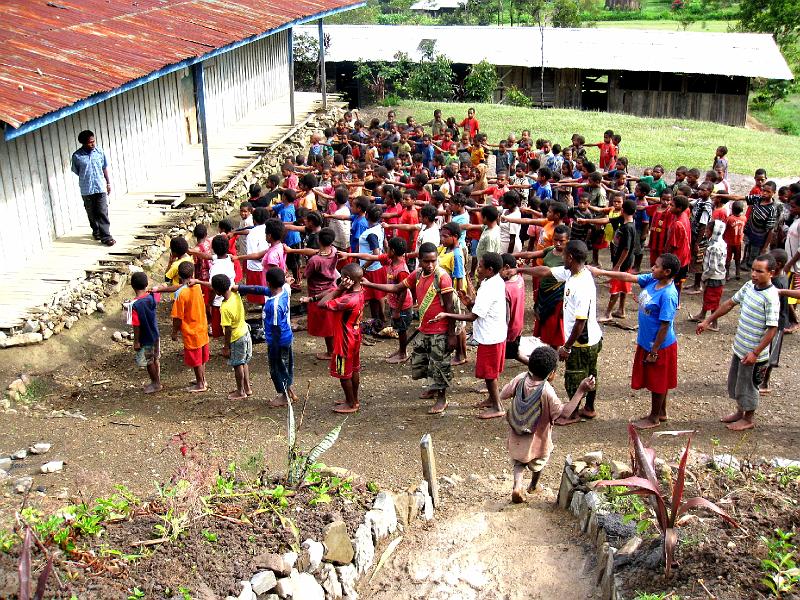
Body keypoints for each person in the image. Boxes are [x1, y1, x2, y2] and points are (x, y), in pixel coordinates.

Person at [363, 242, 457, 414]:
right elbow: (397, 288)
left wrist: (451, 334)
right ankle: (433, 388)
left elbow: (449, 308)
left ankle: (442, 398)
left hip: (440, 329)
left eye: (433, 261)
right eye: (426, 261)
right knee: (425, 360)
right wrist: (370, 284)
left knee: (440, 364)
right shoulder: (418, 274)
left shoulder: (442, 277)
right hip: (425, 327)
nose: (430, 265)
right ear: (419, 260)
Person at [590, 254, 681, 429]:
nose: (653, 268)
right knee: (659, 379)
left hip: (659, 345)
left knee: (658, 380)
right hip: (648, 341)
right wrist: (600, 272)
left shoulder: (668, 294)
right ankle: (661, 411)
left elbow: (664, 325)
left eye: (656, 266)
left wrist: (654, 350)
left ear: (667, 272)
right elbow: (628, 277)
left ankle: (654, 417)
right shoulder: (653, 281)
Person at [517, 240, 603, 425]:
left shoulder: (581, 285)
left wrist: (567, 347)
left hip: (581, 342)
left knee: (574, 376)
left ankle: (572, 414)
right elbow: (546, 271)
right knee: (590, 373)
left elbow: (580, 322)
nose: (561, 257)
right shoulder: (575, 273)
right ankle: (589, 408)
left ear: (570, 257)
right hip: (592, 338)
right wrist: (520, 271)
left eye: (564, 255)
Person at [696, 254, 780, 431]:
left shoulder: (771, 297)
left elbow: (772, 329)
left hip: (753, 354)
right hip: (740, 347)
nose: (754, 274)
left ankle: (748, 418)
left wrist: (755, 353)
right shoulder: (749, 286)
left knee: (749, 385)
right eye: (753, 269)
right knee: (737, 382)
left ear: (771, 273)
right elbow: (729, 303)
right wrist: (708, 320)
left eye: (759, 271)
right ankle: (740, 412)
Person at [502, 346, 596, 503]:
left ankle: (517, 486)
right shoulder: (546, 390)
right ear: (552, 373)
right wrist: (580, 390)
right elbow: (565, 413)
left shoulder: (520, 378)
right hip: (539, 438)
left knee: (519, 462)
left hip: (518, 433)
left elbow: (503, 394)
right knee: (539, 461)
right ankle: (533, 485)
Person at [432, 252, 508, 420]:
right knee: (492, 372)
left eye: (480, 266)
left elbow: (474, 316)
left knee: (489, 375)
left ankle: (497, 406)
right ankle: (491, 399)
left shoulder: (489, 287)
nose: (477, 269)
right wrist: (470, 303)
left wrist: (448, 315)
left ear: (490, 269)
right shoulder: (494, 281)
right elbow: (482, 308)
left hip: (491, 337)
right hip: (496, 333)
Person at [238, 268, 297, 407]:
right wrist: (241, 288)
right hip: (286, 338)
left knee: (277, 368)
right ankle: (289, 391)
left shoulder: (274, 305)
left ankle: (283, 396)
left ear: (269, 282)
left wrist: (273, 349)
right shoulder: (285, 290)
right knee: (285, 365)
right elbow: (262, 290)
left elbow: (276, 329)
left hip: (278, 342)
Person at [318, 263, 366, 414]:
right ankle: (353, 399)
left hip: (343, 342)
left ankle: (351, 404)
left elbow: (322, 303)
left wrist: (339, 289)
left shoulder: (347, 299)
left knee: (343, 373)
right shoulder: (360, 292)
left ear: (347, 279)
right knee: (354, 369)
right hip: (355, 336)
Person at [155, 261, 210, 393]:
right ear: (193, 274)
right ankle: (202, 379)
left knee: (196, 360)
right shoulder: (197, 286)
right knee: (201, 357)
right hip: (202, 327)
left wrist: (174, 332)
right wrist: (161, 289)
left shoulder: (181, 295)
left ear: (179, 275)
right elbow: (181, 287)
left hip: (191, 331)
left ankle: (200, 383)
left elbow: (177, 317)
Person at [205, 274, 253, 400]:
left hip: (236, 338)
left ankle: (240, 391)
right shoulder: (235, 293)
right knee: (244, 362)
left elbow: (228, 329)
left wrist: (226, 347)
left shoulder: (225, 307)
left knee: (237, 364)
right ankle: (247, 388)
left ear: (217, 291)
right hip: (245, 332)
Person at [296, 228, 339, 360]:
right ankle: (333, 349)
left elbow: (306, 275)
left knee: (327, 325)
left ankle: (330, 351)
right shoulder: (334, 251)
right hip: (332, 288)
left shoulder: (315, 260)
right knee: (332, 322)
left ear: (319, 241)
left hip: (318, 292)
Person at [71, 129, 115, 246]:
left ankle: (106, 236)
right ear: (84, 143)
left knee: (102, 211)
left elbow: (104, 167)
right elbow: (76, 171)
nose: (93, 144)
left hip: (100, 187)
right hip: (87, 189)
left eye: (93, 141)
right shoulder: (77, 156)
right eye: (90, 142)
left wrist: (108, 182)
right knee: (91, 212)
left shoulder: (99, 152)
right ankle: (96, 231)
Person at [759, 249, 789, 394]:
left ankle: (764, 382)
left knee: (771, 353)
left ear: (777, 264)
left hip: (777, 323)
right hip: (775, 321)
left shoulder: (777, 282)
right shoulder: (783, 277)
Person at [688, 220, 727, 329]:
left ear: (714, 231)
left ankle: (714, 324)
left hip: (714, 277)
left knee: (713, 301)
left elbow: (712, 267)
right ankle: (702, 315)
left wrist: (704, 278)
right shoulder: (720, 243)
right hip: (716, 277)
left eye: (708, 230)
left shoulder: (714, 247)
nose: (705, 231)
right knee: (708, 297)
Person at [129, 272, 161, 394]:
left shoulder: (135, 305)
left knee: (149, 362)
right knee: (155, 359)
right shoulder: (151, 297)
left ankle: (155, 383)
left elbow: (136, 325)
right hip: (155, 334)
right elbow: (158, 294)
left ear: (132, 286)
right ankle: (157, 380)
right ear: (146, 284)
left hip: (145, 338)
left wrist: (136, 341)